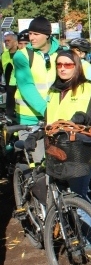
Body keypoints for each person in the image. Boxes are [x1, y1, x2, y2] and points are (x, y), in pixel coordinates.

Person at [45, 50, 91, 253]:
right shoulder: (53, 92)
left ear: (76, 66)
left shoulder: (88, 89)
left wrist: (83, 117)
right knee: (64, 201)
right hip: (57, 153)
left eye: (68, 65)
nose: (62, 68)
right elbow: (48, 122)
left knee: (79, 201)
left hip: (80, 153)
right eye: (59, 65)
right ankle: (77, 239)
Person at [12, 16, 61, 162]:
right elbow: (26, 86)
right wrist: (47, 111)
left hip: (57, 118)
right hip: (30, 120)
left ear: (47, 35)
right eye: (30, 33)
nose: (31, 38)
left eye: (36, 34)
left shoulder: (61, 53)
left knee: (61, 164)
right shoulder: (22, 56)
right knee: (40, 166)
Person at [1, 31, 19, 118]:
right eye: (5, 41)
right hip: (9, 89)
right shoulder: (3, 55)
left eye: (8, 41)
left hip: (20, 88)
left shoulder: (22, 54)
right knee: (10, 115)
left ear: (15, 42)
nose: (6, 42)